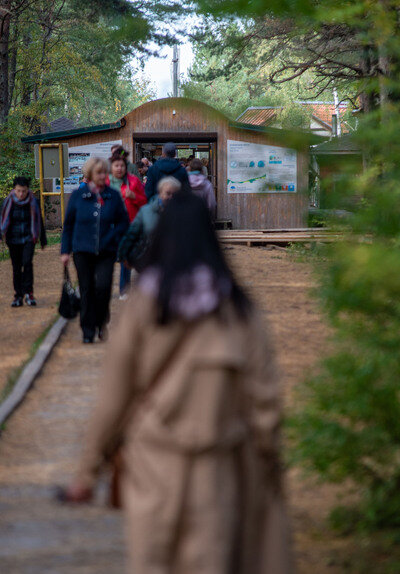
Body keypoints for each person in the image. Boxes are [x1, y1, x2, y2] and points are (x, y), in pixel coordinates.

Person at [61, 191, 292, 574]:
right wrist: (269, 464)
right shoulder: (237, 309)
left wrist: (87, 472)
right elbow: (265, 402)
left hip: (151, 463)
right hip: (220, 467)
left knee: (154, 561)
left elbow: (114, 398)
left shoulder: (143, 306)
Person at [61, 157, 130, 343]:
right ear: (90, 174)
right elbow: (68, 225)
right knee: (87, 289)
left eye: (104, 172)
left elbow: (123, 222)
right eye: (98, 172)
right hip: (82, 250)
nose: (102, 176)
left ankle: (101, 322)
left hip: (106, 251)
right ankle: (88, 330)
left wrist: (114, 237)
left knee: (103, 287)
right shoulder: (78, 196)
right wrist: (65, 251)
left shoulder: (113, 195)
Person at [0, 176, 47, 307]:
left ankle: (29, 293)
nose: (21, 194)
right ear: (14, 190)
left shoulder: (33, 201)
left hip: (29, 238)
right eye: (18, 191)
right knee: (16, 267)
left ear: (28, 190)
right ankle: (18, 295)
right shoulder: (8, 201)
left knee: (27, 263)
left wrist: (43, 239)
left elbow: (39, 220)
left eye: (23, 191)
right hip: (13, 239)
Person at [117, 176, 178, 272]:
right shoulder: (146, 211)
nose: (171, 197)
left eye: (174, 194)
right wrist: (123, 254)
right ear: (160, 193)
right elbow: (132, 233)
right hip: (148, 261)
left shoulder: (184, 213)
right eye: (168, 193)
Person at [109, 151, 147, 298]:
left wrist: (134, 196)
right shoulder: (106, 182)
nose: (119, 168)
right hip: (110, 226)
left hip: (129, 224)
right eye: (116, 165)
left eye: (122, 166)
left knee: (126, 257)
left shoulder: (134, 181)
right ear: (111, 167)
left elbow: (144, 201)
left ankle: (124, 290)